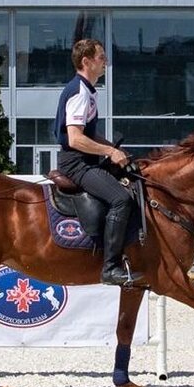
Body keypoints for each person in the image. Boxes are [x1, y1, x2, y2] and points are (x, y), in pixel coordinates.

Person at [54, 38, 140, 287]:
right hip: (76, 163)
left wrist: (112, 148)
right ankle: (110, 267)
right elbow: (75, 138)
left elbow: (88, 135)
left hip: (85, 159)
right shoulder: (80, 92)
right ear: (86, 61)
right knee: (121, 199)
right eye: (101, 58)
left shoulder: (88, 91)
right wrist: (109, 152)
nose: (105, 63)